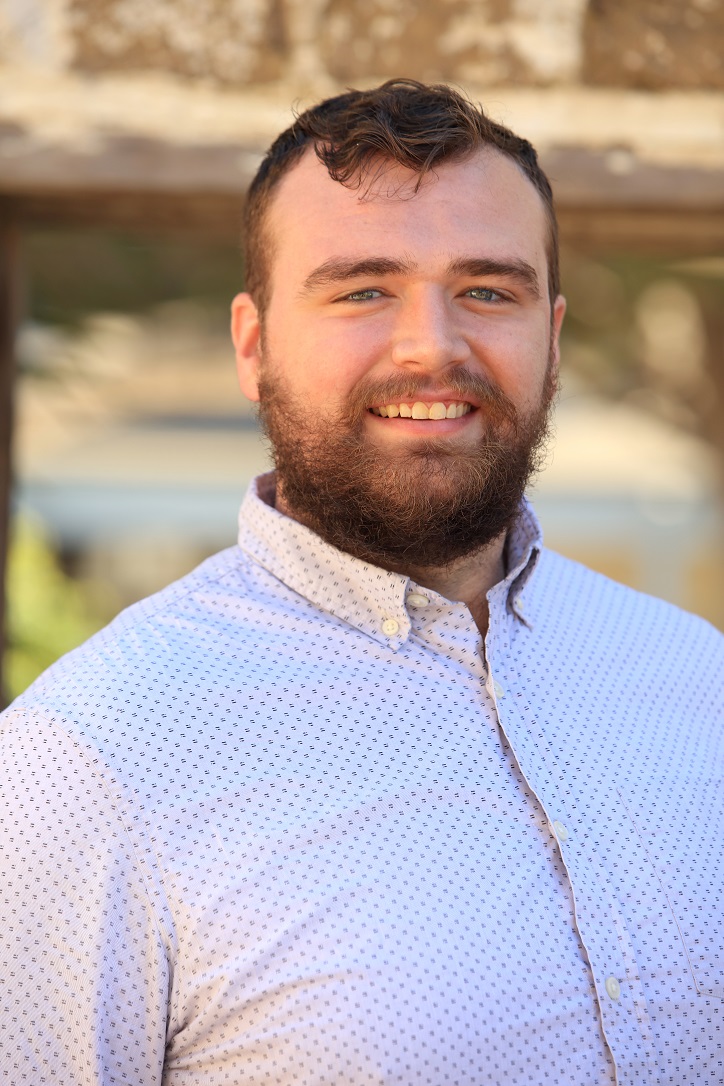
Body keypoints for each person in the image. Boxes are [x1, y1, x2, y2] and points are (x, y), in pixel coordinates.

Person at [1, 79, 722, 1086]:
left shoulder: (697, 681)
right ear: (253, 348)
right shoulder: (91, 759)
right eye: (362, 289)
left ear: (551, 339)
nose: (432, 345)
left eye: (487, 289)